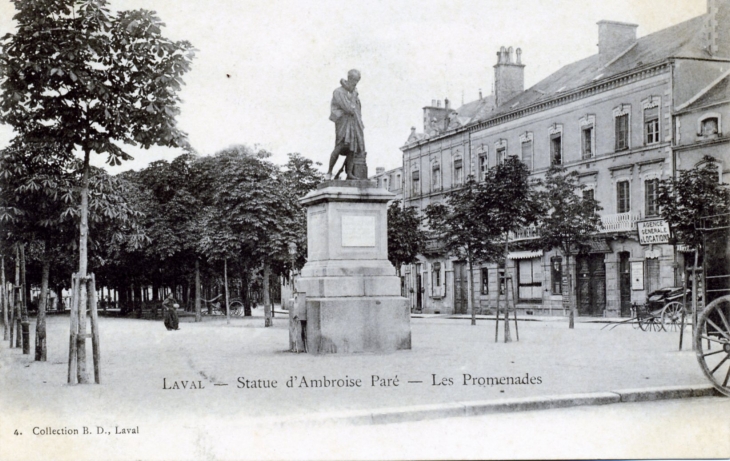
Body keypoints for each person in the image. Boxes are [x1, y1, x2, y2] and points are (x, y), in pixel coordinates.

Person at [326, 69, 365, 180]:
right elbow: (348, 108)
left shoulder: (354, 93)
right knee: (339, 146)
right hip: (343, 123)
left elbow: (358, 110)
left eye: (357, 80)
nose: (356, 82)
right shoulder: (339, 92)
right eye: (354, 80)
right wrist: (353, 99)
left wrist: (360, 123)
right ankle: (329, 172)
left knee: (352, 148)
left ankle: (349, 173)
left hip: (354, 124)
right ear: (349, 78)